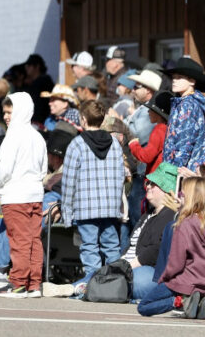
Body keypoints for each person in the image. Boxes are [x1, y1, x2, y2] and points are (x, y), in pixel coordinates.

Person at [61, 99, 126, 296]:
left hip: (85, 207)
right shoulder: (114, 143)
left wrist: (66, 212)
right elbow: (120, 176)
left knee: (89, 248)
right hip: (109, 207)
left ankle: (93, 286)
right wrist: (117, 206)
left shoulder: (77, 144)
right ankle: (117, 285)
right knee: (111, 246)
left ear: (82, 118)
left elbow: (69, 181)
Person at [0, 92, 48, 298]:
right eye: (5, 112)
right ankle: (34, 284)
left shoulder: (12, 136)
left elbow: (4, 169)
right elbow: (43, 170)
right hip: (35, 194)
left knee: (19, 241)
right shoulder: (38, 136)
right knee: (34, 240)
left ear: (20, 111)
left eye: (9, 111)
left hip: (15, 195)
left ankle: (17, 284)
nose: (6, 116)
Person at [137, 176, 205, 318]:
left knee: (143, 307)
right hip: (202, 282)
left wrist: (164, 277)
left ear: (191, 198)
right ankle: (198, 304)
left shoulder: (184, 224)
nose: (178, 197)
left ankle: (180, 302)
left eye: (182, 195)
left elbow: (176, 262)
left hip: (184, 283)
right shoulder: (201, 222)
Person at [123, 162, 179, 300]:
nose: (147, 186)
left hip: (150, 271)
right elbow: (131, 246)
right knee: (104, 272)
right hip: (131, 266)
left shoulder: (169, 216)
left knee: (132, 281)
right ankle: (77, 287)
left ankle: (88, 287)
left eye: (153, 184)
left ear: (166, 189)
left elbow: (155, 250)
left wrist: (125, 267)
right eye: (148, 183)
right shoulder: (148, 214)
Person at [162, 57, 205, 172]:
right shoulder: (189, 102)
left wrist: (170, 172)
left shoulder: (187, 105)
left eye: (179, 77)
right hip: (190, 170)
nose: (174, 81)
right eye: (173, 77)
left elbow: (184, 142)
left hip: (182, 172)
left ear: (192, 81)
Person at [130, 91, 174, 174]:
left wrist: (134, 145)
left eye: (151, 109)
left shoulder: (159, 129)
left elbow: (146, 156)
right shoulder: (168, 128)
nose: (148, 112)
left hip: (155, 177)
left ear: (158, 113)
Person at [127, 69, 163, 143]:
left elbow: (139, 137)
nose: (133, 90)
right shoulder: (143, 106)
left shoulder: (150, 110)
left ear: (148, 90)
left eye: (136, 87)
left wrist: (131, 116)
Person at [21, 54, 54, 124]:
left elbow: (40, 105)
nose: (26, 67)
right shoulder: (35, 83)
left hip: (41, 122)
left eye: (29, 65)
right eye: (26, 65)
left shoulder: (43, 82)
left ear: (37, 66)